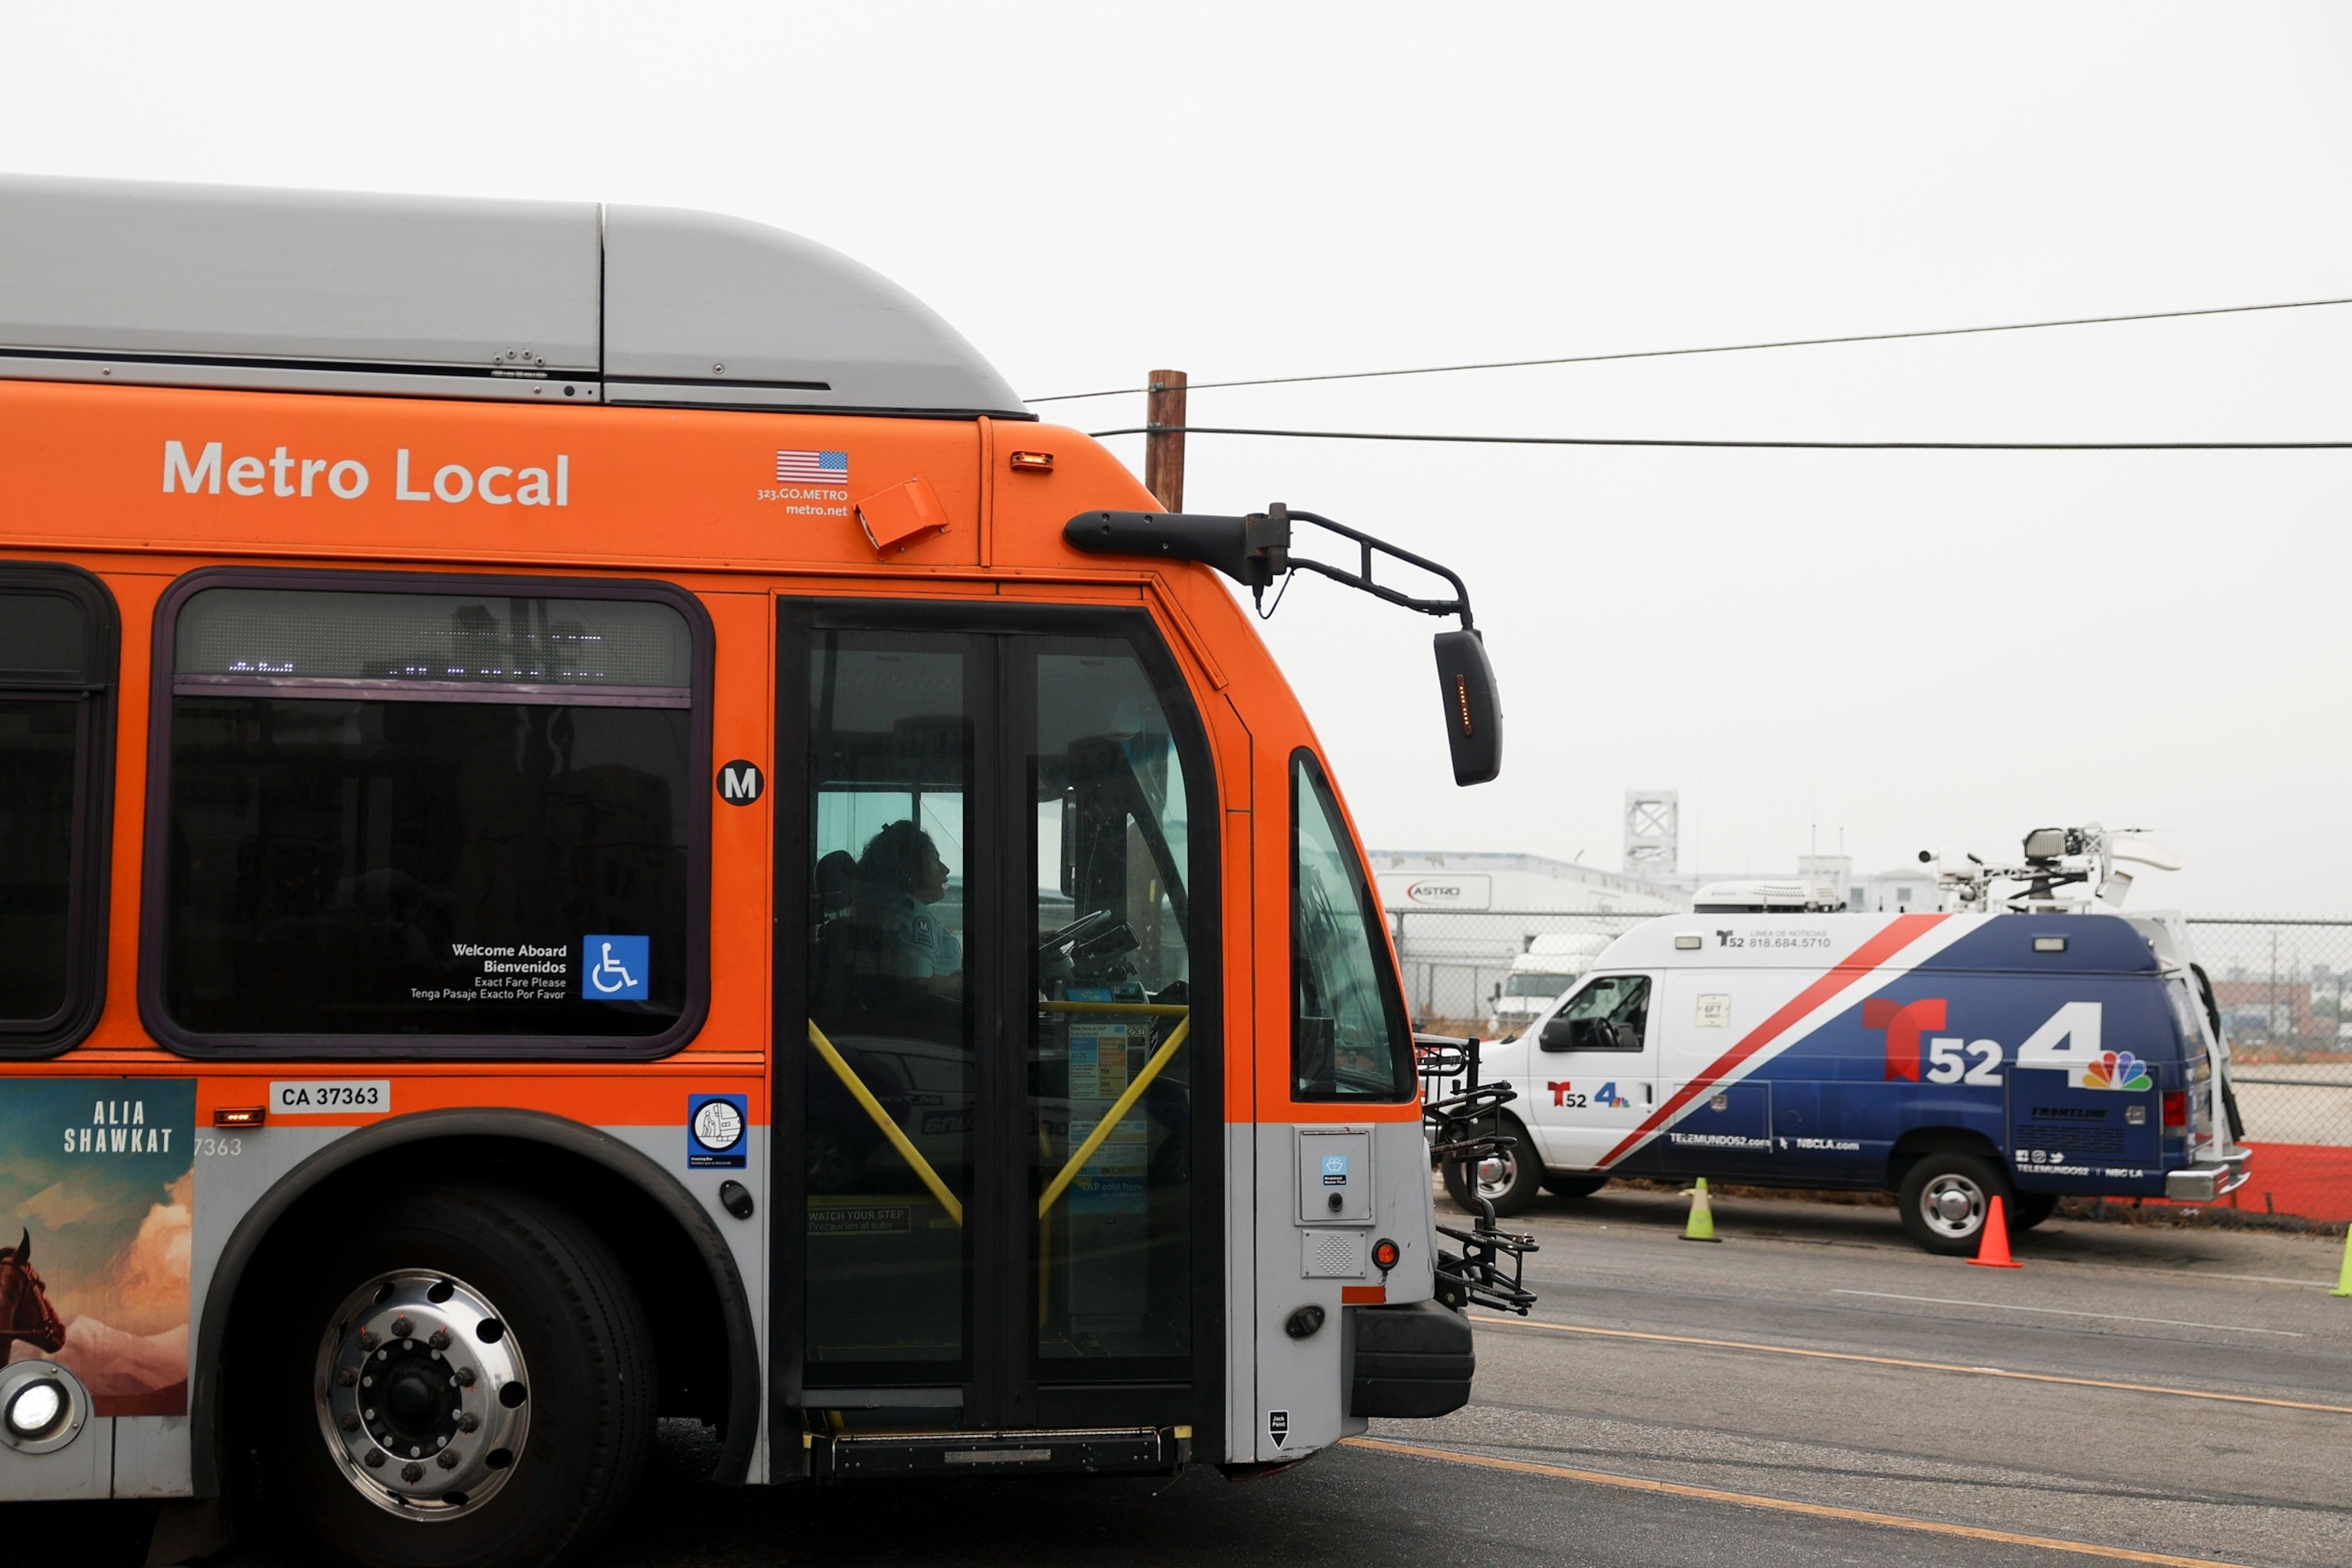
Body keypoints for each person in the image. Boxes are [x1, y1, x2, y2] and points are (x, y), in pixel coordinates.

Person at [849, 821, 962, 991]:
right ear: (911, 870)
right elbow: (916, 987)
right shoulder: (913, 916)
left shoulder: (892, 911)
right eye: (935, 860)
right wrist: (957, 983)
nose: (945, 869)